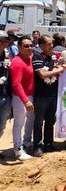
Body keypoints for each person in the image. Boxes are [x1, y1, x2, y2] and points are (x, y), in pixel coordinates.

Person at [32, 35, 66, 157]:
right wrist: (58, 70)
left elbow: (63, 65)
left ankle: (48, 143)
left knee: (50, 120)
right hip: (41, 94)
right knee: (38, 122)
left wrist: (63, 66)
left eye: (51, 43)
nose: (51, 46)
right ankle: (37, 145)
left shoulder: (54, 55)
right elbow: (42, 74)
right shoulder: (37, 55)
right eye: (48, 44)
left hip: (53, 93)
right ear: (41, 46)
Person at [10, 35, 35, 160]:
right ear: (19, 47)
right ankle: (17, 148)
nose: (29, 48)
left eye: (31, 45)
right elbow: (16, 84)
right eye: (26, 46)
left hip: (30, 95)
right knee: (19, 123)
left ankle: (26, 143)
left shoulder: (30, 58)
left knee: (30, 121)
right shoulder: (17, 62)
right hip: (20, 98)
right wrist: (25, 101)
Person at [0, 31, 11, 159]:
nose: (3, 44)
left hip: (5, 95)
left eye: (6, 41)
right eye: (1, 41)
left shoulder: (7, 54)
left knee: (2, 125)